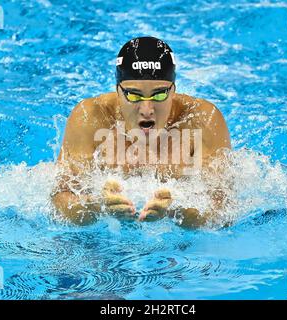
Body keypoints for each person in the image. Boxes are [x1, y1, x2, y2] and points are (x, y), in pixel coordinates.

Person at [51, 36, 231, 228]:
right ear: (118, 91)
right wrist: (97, 206)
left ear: (173, 91)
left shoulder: (202, 120)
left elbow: (223, 212)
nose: (147, 109)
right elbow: (59, 202)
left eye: (159, 94)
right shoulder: (90, 118)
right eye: (134, 95)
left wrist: (178, 211)